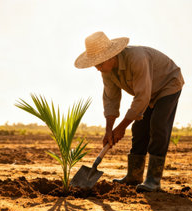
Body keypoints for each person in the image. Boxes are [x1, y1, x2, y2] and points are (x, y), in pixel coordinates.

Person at [74, 31, 184, 192]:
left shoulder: (136, 59)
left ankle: (153, 181)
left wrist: (121, 127)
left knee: (158, 126)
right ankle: (134, 176)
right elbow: (111, 100)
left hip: (168, 83)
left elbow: (142, 98)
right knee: (139, 128)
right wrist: (109, 130)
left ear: (111, 56)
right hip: (147, 92)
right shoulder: (106, 71)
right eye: (95, 65)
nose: (97, 68)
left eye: (99, 63)